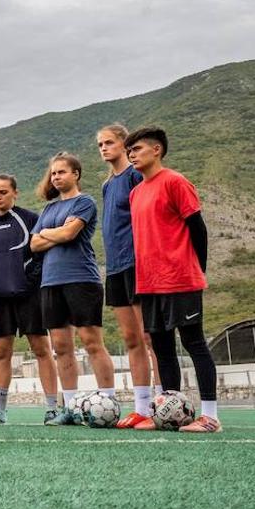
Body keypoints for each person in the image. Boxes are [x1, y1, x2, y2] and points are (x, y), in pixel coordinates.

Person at [125, 127, 221, 433]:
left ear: (157, 150)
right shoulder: (136, 192)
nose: (132, 154)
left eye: (137, 148)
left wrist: (196, 269)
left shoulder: (175, 182)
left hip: (180, 279)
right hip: (149, 283)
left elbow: (198, 229)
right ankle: (168, 414)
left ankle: (210, 417)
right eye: (129, 151)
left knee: (194, 343)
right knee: (162, 348)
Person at [30, 153, 117, 426]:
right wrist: (55, 233)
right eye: (53, 173)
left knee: (92, 343)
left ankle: (108, 404)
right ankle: (69, 409)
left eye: (61, 172)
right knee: (61, 348)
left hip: (82, 280)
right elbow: (33, 245)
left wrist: (48, 234)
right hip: (50, 283)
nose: (56, 177)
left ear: (75, 174)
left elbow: (69, 235)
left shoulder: (85, 202)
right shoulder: (47, 210)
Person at [0, 175, 59, 424]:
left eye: (3, 192)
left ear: (15, 193)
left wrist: (28, 282)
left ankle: (52, 408)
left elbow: (42, 255)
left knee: (41, 349)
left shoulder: (30, 219)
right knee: (1, 353)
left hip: (29, 297)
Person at [97, 124, 159, 428]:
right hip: (116, 268)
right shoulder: (108, 186)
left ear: (124, 145)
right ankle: (141, 408)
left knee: (150, 336)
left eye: (109, 142)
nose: (104, 148)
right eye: (100, 145)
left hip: (138, 264)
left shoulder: (136, 176)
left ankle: (163, 404)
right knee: (130, 337)